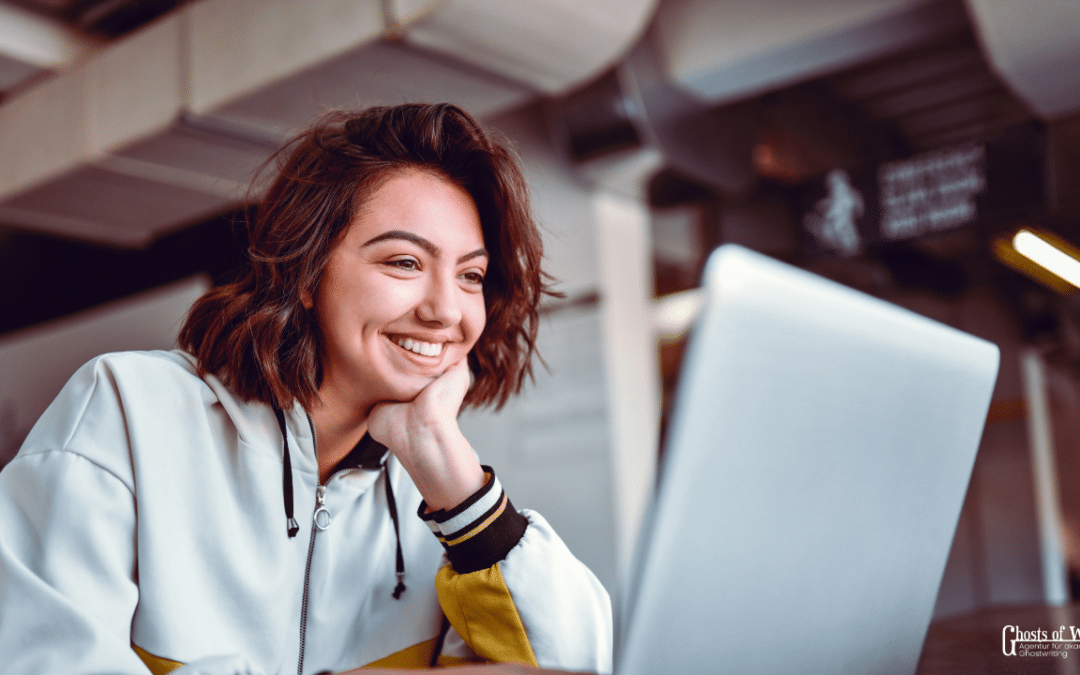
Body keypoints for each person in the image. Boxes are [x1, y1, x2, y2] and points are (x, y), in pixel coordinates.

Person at [0, 104, 613, 675]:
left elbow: (572, 662)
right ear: (306, 271)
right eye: (404, 262)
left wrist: (452, 476)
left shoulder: (436, 496)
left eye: (471, 275)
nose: (445, 310)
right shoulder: (126, 409)